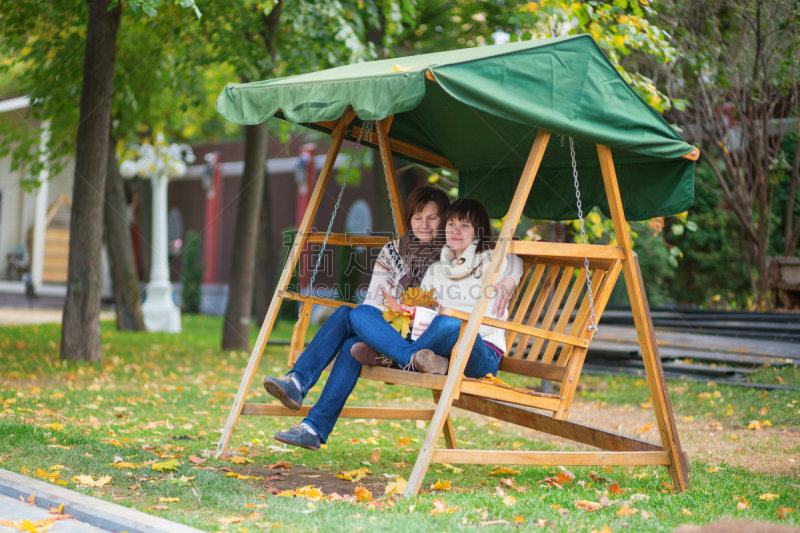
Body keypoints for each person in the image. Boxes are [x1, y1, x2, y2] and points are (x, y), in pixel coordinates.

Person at [261, 185, 450, 451]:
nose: (424, 225)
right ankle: (312, 428)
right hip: (386, 330)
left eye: (433, 218)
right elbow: (375, 300)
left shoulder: (450, 255)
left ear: (444, 220)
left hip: (424, 343)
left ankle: (298, 382)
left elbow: (444, 308)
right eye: (418, 217)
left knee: (351, 314)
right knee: (352, 335)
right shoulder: (392, 252)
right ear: (409, 219)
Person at [351, 198, 513, 378]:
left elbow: (490, 320)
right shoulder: (435, 269)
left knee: (451, 323)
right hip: (437, 355)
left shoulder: (494, 263)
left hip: (481, 354)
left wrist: (443, 326)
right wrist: (416, 320)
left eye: (465, 225)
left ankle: (395, 360)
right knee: (361, 313)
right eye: (451, 223)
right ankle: (409, 358)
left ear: (479, 232)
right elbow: (424, 312)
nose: (456, 230)